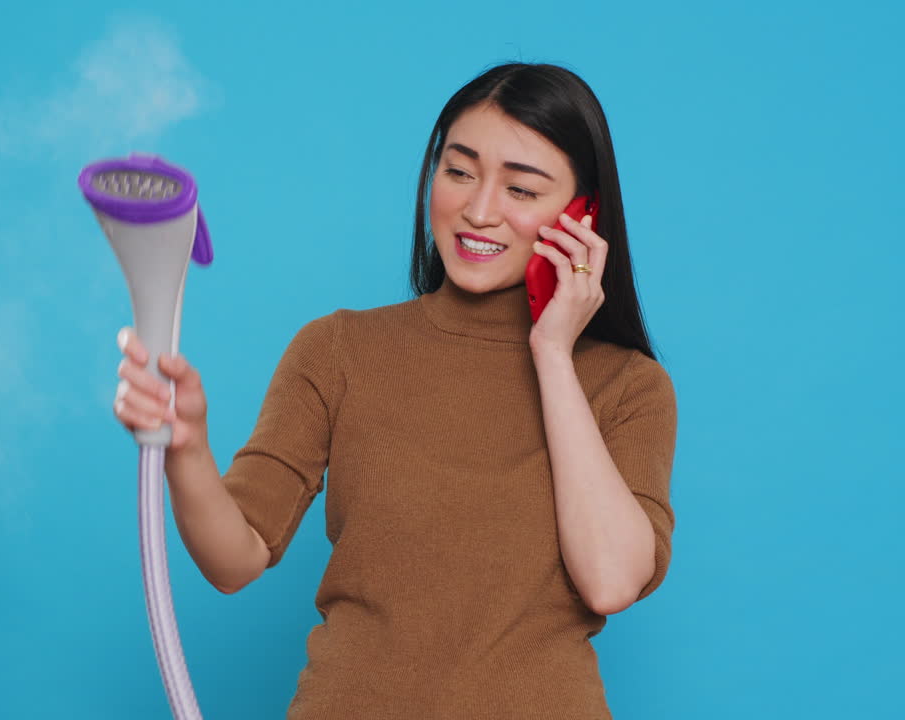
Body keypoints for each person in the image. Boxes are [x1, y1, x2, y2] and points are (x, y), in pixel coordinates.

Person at [112, 62, 677, 719]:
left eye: (522, 189)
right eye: (459, 171)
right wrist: (186, 448)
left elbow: (610, 580)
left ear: (583, 216)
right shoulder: (338, 350)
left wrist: (552, 352)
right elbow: (234, 559)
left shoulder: (630, 386)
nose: (479, 209)